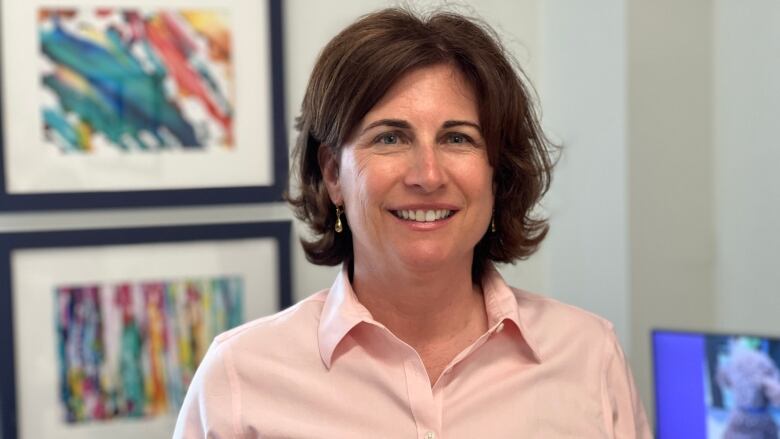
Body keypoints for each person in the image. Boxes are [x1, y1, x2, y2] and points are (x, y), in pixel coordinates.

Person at [174, 7, 652, 438]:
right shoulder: (239, 379)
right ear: (333, 174)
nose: (427, 175)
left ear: (496, 171)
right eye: (390, 138)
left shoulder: (590, 357)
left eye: (458, 139)